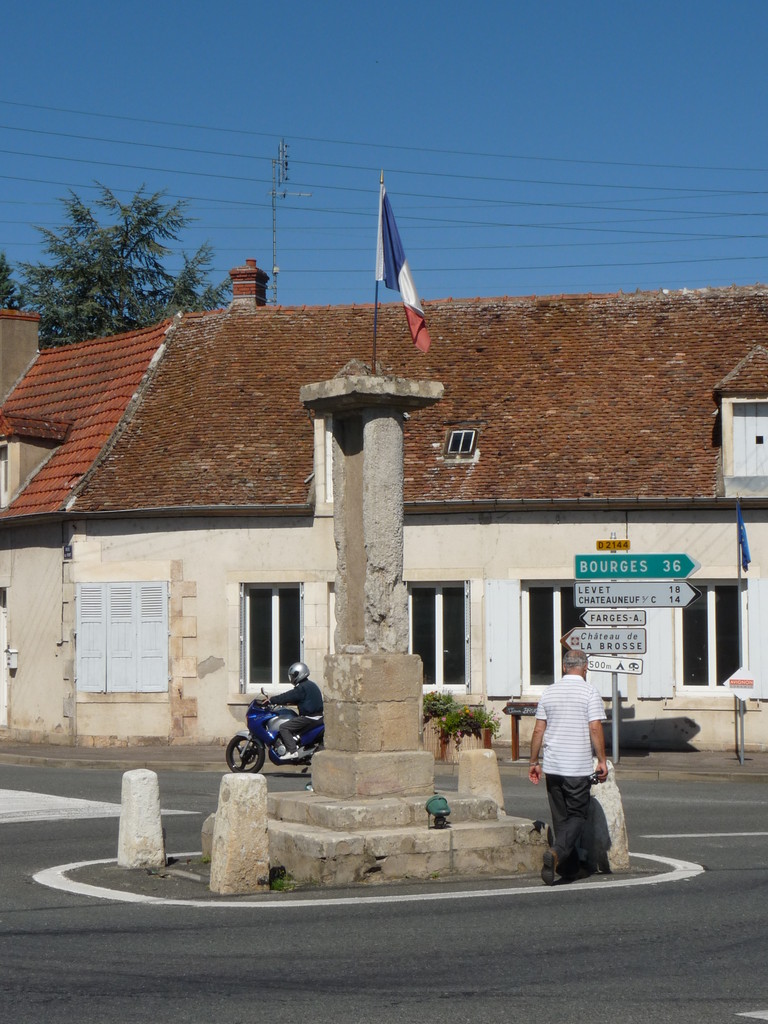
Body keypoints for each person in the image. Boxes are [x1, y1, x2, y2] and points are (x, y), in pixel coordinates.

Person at [528, 648, 608, 885]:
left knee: (561, 818)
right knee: (577, 816)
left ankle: (569, 869)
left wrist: (534, 762)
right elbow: (595, 728)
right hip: (577, 767)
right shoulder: (589, 692)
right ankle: (556, 854)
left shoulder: (549, 692)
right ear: (585, 668)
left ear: (564, 667)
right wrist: (602, 760)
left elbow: (538, 729)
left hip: (553, 767)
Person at [266, 662, 324, 759]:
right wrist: (287, 703)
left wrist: (271, 700)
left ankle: (292, 751)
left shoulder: (301, 687)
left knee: (284, 727)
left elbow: (287, 696)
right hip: (317, 717)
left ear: (300, 674)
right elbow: (303, 700)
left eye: (293, 675)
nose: (292, 678)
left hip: (309, 718)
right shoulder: (310, 684)